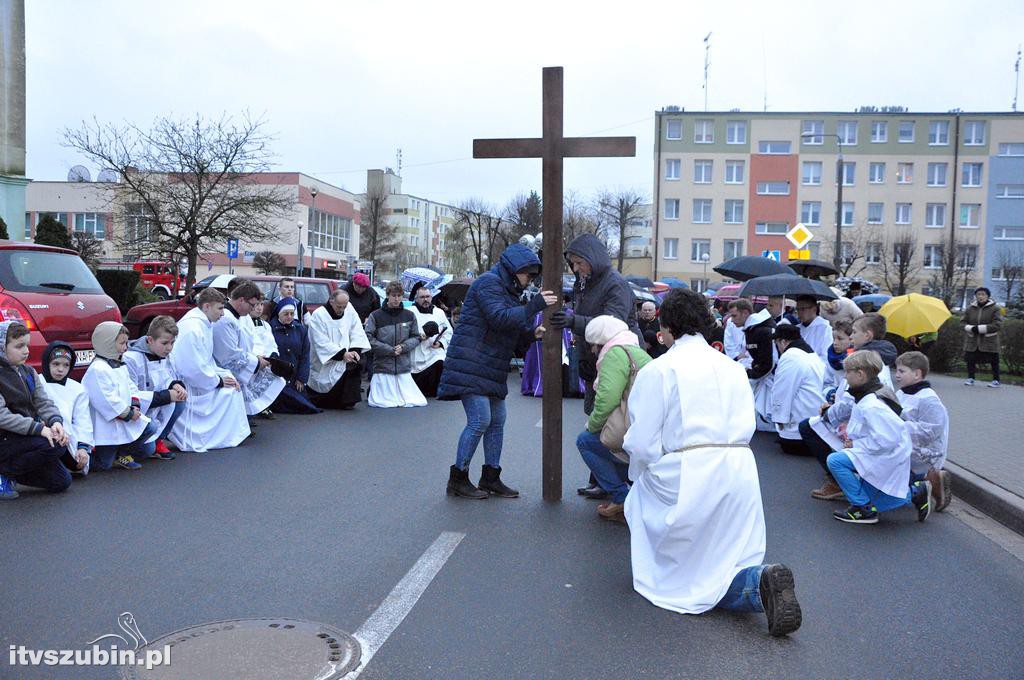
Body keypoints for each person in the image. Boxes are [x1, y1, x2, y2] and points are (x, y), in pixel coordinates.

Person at [622, 288, 802, 636]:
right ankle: (756, 577)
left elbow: (642, 443)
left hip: (687, 472)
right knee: (730, 549)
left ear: (665, 323)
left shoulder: (661, 370)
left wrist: (640, 476)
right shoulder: (732, 368)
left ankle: (754, 587)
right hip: (739, 469)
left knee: (686, 574)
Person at [438, 243, 557, 499]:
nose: (530, 281)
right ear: (516, 270)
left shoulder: (508, 290)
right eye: (529, 275)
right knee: (480, 420)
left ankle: (491, 477)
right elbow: (499, 317)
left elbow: (507, 327)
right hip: (471, 361)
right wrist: (534, 305)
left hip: (489, 364)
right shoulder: (488, 283)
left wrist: (529, 333)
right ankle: (458, 478)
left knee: (497, 421)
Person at [552, 233, 642, 498]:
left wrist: (574, 321)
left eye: (580, 262)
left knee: (612, 424)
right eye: (573, 264)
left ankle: (620, 489)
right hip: (595, 361)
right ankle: (602, 480)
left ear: (594, 259)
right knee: (601, 421)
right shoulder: (586, 283)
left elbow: (611, 324)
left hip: (618, 359)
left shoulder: (616, 285)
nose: (576, 269)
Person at [826, 350, 932, 525]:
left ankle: (862, 508)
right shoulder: (870, 395)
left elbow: (886, 440)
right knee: (879, 502)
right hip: (884, 450)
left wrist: (855, 443)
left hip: (887, 453)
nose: (845, 377)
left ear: (860, 375)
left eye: (847, 373)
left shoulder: (872, 404)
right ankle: (914, 492)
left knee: (836, 461)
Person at [575, 316, 651, 522]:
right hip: (645, 423)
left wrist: (592, 425)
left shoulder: (615, 354)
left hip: (628, 426)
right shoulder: (636, 351)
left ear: (602, 341)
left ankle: (622, 498)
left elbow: (607, 399)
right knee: (621, 453)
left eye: (594, 345)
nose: (592, 350)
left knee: (586, 441)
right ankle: (639, 493)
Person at [168, 287, 250, 452]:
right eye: (219, 308)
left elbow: (206, 361)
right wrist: (218, 381)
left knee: (232, 385)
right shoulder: (192, 328)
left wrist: (223, 375)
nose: (222, 313)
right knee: (229, 392)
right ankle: (214, 437)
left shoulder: (205, 323)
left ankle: (229, 435)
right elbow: (191, 367)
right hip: (189, 384)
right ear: (206, 307)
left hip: (201, 377)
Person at [0, 322, 73, 499]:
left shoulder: (28, 372)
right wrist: (39, 429)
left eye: (27, 345)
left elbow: (43, 402)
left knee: (62, 481)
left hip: (25, 438)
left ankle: (11, 473)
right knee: (54, 446)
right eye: (19, 346)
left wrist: (55, 422)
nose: (26, 351)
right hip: (5, 438)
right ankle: (4, 473)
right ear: (2, 347)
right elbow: (1, 416)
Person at [82, 322, 160, 471]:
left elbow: (131, 387)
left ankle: (123, 453)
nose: (126, 347)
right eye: (122, 343)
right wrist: (128, 413)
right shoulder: (97, 369)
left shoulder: (119, 363)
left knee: (151, 427)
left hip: (125, 416)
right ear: (107, 343)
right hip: (108, 423)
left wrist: (135, 405)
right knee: (103, 465)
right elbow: (105, 400)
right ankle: (78, 460)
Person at [212, 280, 286, 420]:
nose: (253, 309)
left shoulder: (239, 316)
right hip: (223, 368)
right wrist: (256, 362)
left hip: (244, 360)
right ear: (241, 300)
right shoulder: (226, 319)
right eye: (252, 305)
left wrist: (258, 358)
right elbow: (229, 355)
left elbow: (248, 341)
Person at [122, 316, 187, 460]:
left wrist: (174, 385)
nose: (169, 348)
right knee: (146, 451)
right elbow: (131, 393)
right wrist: (167, 395)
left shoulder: (164, 354)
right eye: (165, 343)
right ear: (150, 340)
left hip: (155, 406)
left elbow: (168, 376)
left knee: (181, 400)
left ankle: (159, 440)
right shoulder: (131, 358)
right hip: (136, 412)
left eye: (172, 343)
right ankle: (123, 450)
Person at [894, 351, 951, 512]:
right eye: (897, 370)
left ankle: (931, 480)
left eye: (902, 371)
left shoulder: (929, 399)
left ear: (917, 374)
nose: (897, 375)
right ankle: (928, 479)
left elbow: (930, 431)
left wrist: (898, 427)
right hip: (905, 442)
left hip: (925, 450)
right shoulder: (901, 392)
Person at [365, 281, 427, 408]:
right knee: (381, 401)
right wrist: (388, 350)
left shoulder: (409, 315)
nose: (396, 299)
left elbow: (416, 337)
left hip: (403, 366)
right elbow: (368, 338)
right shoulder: (375, 315)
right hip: (383, 366)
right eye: (393, 295)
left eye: (399, 296)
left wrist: (403, 347)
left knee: (416, 401)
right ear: (387, 295)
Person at [307, 289, 371, 410]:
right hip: (328, 359)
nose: (341, 310)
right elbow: (320, 341)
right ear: (331, 301)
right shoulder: (319, 315)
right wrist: (342, 354)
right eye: (339, 307)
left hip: (347, 354)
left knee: (354, 365)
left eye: (344, 307)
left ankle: (348, 400)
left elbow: (356, 330)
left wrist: (355, 350)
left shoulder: (349, 309)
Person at [39, 342, 92, 476]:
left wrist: (83, 448)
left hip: (69, 439)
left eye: (66, 365)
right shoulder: (37, 382)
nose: (61, 369)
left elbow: (83, 420)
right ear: (47, 363)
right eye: (56, 364)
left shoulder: (77, 388)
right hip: (44, 433)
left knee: (78, 464)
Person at [771, 324, 825, 454]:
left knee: (788, 446)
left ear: (782, 341)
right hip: (814, 418)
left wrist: (779, 418)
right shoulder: (811, 354)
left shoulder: (791, 356)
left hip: (799, 425)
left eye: (776, 343)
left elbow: (782, 390)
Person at [727, 299, 776, 431]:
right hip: (763, 376)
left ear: (745, 313)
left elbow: (769, 363)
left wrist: (748, 374)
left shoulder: (762, 331)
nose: (731, 320)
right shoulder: (753, 329)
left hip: (770, 379)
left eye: (734, 315)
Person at [269, 297, 322, 414]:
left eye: (292, 314)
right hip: (277, 376)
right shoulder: (270, 328)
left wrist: (301, 378)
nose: (289, 317)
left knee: (304, 406)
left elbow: (305, 355)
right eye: (286, 314)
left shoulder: (300, 329)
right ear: (279, 313)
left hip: (294, 376)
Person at [409, 283, 450, 398]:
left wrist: (441, 343)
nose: (425, 299)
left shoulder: (439, 312)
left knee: (440, 359)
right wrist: (419, 336)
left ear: (431, 297)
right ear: (416, 299)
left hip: (433, 349)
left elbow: (448, 332)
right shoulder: (410, 312)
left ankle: (434, 390)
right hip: (416, 350)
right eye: (422, 297)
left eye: (427, 296)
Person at [962, 286, 1002, 387]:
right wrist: (970, 328)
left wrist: (980, 329)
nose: (980, 296)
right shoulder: (970, 308)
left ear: (988, 296)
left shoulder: (995, 308)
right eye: (978, 294)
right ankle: (970, 378)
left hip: (989, 340)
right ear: (975, 296)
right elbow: (962, 322)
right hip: (973, 340)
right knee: (970, 359)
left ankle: (996, 380)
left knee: (994, 360)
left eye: (983, 294)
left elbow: (998, 325)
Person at [794, 296, 833, 366]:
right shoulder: (796, 329)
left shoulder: (825, 329)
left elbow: (825, 356)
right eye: (797, 309)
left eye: (803, 309)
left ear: (814, 309)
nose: (799, 313)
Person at [825, 320, 854, 391]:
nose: (835, 343)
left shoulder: (856, 359)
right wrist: (829, 392)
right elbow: (826, 383)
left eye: (840, 339)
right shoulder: (830, 359)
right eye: (834, 339)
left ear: (851, 339)